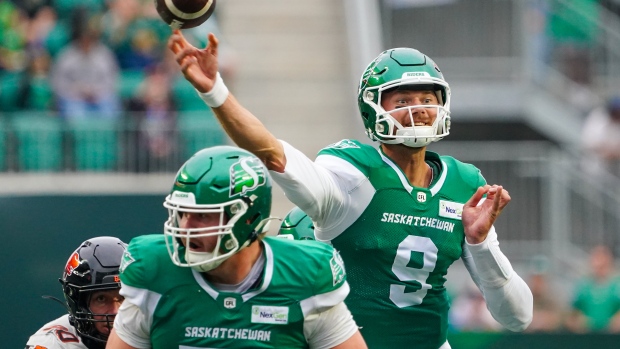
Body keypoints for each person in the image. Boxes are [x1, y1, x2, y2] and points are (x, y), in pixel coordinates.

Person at [168, 31, 533, 348]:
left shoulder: (464, 184)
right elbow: (273, 153)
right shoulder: (351, 173)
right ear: (373, 109)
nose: (418, 110)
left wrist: (479, 244)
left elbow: (518, 317)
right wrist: (215, 91)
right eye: (402, 101)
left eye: (427, 98)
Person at [106, 145, 367, 349]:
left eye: (203, 216)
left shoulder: (305, 276)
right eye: (182, 213)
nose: (186, 228)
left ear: (248, 218)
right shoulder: (154, 270)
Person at [25, 236, 127, 349]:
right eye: (101, 299)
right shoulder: (53, 344)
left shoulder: (147, 331)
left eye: (124, 297)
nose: (116, 311)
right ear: (78, 304)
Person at [565, 245, 620, 333]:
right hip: (588, 337)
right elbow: (573, 313)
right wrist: (578, 321)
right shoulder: (583, 286)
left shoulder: (616, 285)